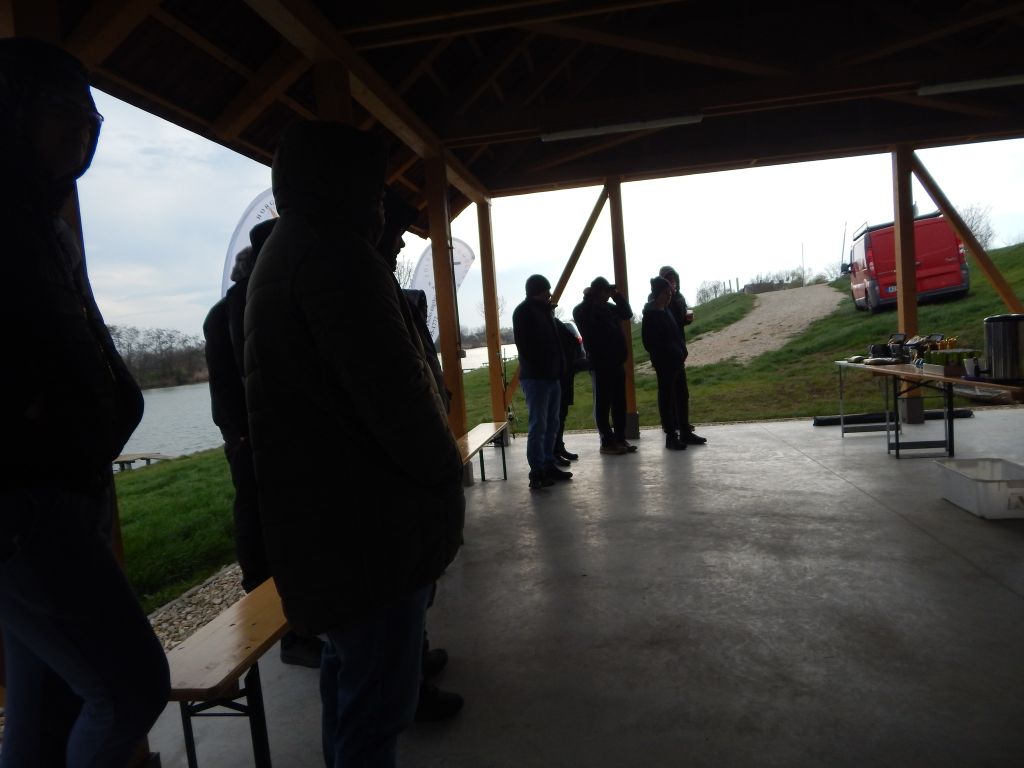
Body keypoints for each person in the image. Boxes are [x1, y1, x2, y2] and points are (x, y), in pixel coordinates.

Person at [244, 120, 465, 767]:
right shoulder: (335, 260)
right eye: (373, 191)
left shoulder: (288, 255)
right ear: (341, 187)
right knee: (376, 712)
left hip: (328, 531)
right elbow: (399, 401)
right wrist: (444, 474)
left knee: (348, 690)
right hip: (368, 534)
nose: (379, 209)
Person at [0, 37, 170, 765]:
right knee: (130, 687)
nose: (81, 129)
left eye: (90, 118)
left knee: (47, 704)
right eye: (60, 110)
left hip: (65, 488)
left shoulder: (42, 223)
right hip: (23, 505)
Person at [203, 218, 324, 668]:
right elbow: (230, 385)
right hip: (257, 444)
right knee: (269, 532)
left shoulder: (249, 303)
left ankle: (297, 622)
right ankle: (287, 631)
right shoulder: (240, 309)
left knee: (281, 530)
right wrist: (239, 436)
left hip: (265, 440)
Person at [379, 187, 463, 723]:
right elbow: (393, 392)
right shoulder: (354, 285)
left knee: (411, 592)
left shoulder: (379, 285)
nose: (401, 246)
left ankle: (414, 662)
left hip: (401, 483)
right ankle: (408, 690)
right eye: (396, 233)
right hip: (392, 486)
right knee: (396, 595)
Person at [512, 274, 573, 489]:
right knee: (539, 425)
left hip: (552, 377)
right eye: (547, 290)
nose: (550, 294)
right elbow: (526, 346)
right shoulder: (523, 312)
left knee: (552, 423)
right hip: (536, 378)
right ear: (537, 291)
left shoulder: (545, 311)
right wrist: (545, 365)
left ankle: (548, 463)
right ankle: (537, 471)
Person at [572, 276, 636, 455]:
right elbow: (584, 316)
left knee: (619, 403)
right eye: (606, 291)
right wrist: (588, 298)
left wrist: (617, 296)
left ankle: (620, 438)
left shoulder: (610, 308)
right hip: (600, 364)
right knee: (602, 405)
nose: (608, 294)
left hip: (616, 362)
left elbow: (627, 313)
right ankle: (607, 442)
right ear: (597, 292)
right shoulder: (583, 310)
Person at [642, 277, 694, 450]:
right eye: (666, 292)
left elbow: (676, 334)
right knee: (667, 398)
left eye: (670, 292)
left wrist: (682, 352)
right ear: (658, 294)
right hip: (665, 364)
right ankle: (671, 436)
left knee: (682, 396)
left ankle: (685, 432)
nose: (670, 295)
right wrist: (667, 355)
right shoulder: (651, 315)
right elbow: (649, 343)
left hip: (677, 361)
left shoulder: (666, 310)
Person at [657, 265, 706, 445]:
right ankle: (670, 429)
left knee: (682, 393)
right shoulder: (657, 303)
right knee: (667, 393)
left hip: (678, 352)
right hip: (665, 357)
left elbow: (678, 321)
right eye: (669, 280)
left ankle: (683, 429)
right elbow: (653, 335)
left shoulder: (679, 298)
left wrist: (686, 319)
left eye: (674, 280)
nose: (673, 283)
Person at [552, 319, 586, 466]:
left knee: (562, 414)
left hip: (566, 375)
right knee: (556, 416)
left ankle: (559, 447)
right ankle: (554, 452)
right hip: (559, 375)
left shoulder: (557, 324)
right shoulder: (555, 325)